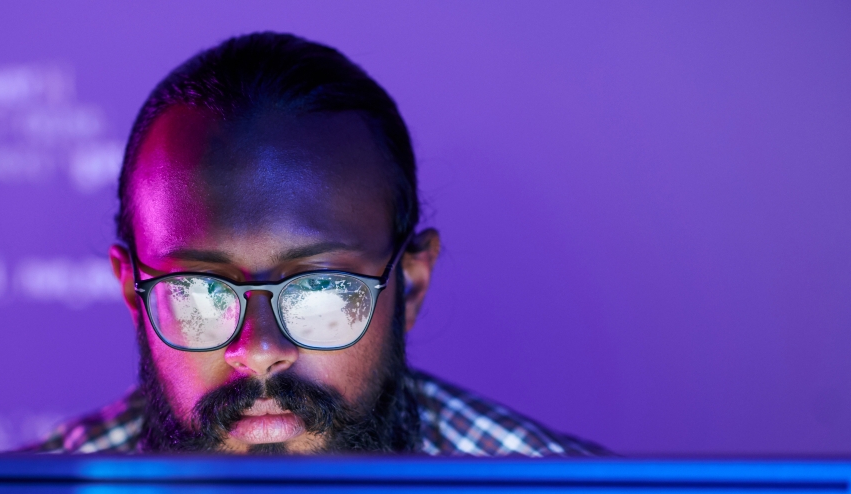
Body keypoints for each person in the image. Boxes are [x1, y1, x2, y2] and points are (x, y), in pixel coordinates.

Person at [31, 32, 605, 456]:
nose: (258, 351)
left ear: (411, 283)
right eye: (200, 294)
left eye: (322, 290)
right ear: (133, 292)